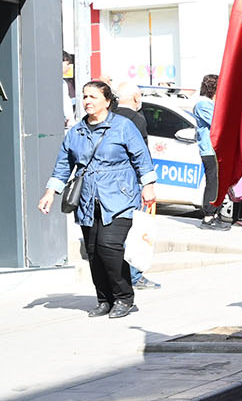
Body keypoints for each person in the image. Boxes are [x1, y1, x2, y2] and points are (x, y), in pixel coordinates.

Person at [38, 80, 158, 318]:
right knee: (93, 251)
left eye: (93, 97)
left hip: (119, 197)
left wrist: (149, 185)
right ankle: (104, 299)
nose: (87, 101)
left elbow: (141, 157)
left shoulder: (123, 127)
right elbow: (63, 166)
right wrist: (50, 192)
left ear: (107, 100)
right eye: (84, 97)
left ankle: (124, 297)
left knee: (109, 247)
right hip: (87, 199)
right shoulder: (76, 132)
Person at [111, 82, 163, 290]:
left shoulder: (110, 116)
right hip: (131, 182)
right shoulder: (136, 119)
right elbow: (140, 154)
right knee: (134, 231)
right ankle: (133, 275)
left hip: (111, 182)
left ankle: (119, 274)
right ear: (135, 97)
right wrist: (147, 183)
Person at [192, 74, 227, 229]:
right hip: (210, 150)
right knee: (213, 183)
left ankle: (215, 214)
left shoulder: (211, 104)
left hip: (216, 150)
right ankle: (208, 216)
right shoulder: (203, 104)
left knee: (218, 183)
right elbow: (218, 123)